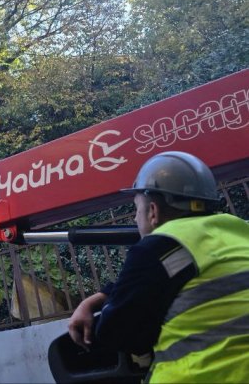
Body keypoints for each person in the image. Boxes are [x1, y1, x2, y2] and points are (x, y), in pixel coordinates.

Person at [67, 151, 249, 382]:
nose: (135, 219)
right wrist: (95, 299)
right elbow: (175, 272)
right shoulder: (238, 230)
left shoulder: (162, 243)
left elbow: (117, 333)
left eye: (137, 209)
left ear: (152, 211)